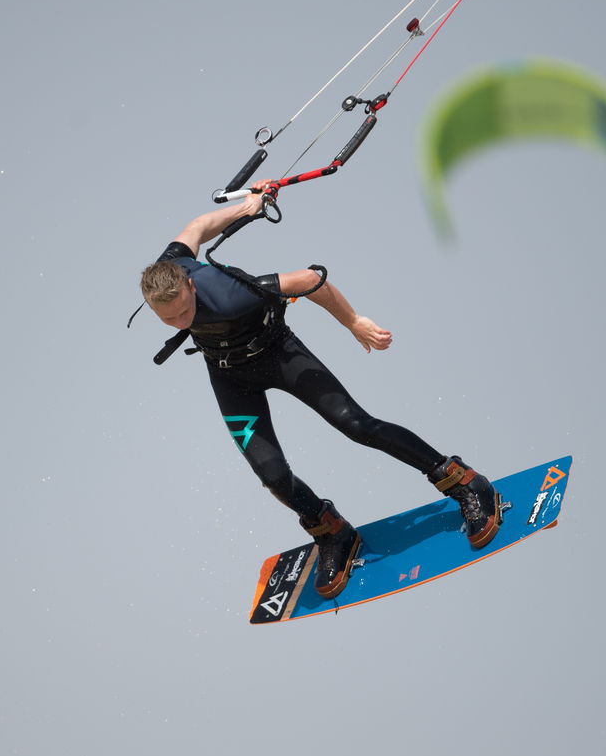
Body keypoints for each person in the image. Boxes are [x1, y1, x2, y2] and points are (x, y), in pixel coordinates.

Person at [140, 184, 502, 599]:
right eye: (167, 319)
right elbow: (199, 225)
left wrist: (353, 322)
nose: (181, 321)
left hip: (279, 354)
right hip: (230, 376)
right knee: (271, 475)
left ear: (190, 284)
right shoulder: (167, 268)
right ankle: (332, 530)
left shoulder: (234, 294)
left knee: (356, 425)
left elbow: (312, 280)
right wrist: (246, 207)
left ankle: (464, 482)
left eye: (184, 311)